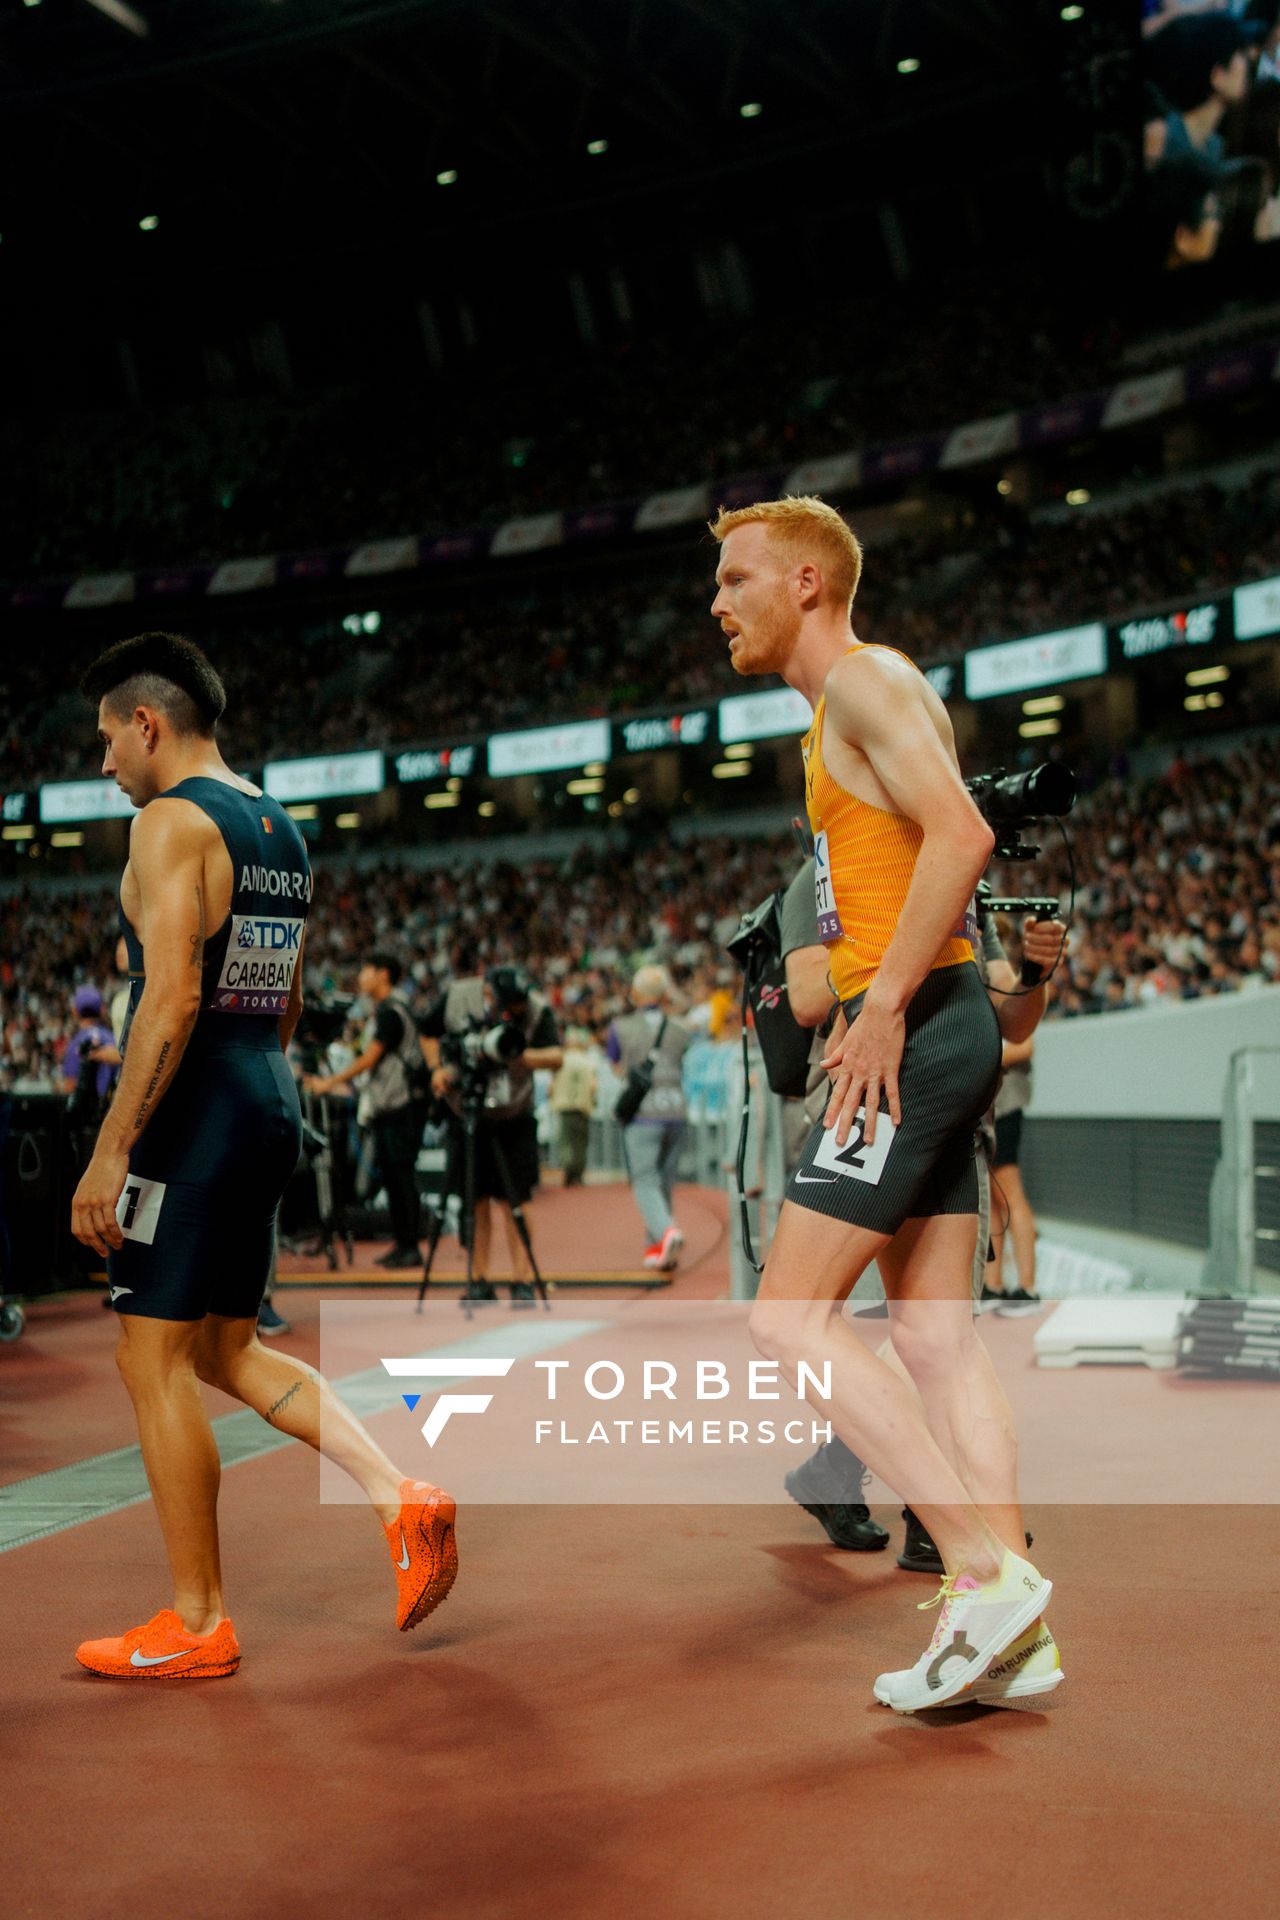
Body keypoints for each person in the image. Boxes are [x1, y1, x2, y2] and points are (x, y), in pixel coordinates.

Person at [709, 496, 1062, 1713]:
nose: (717, 604)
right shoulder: (835, 715)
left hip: (908, 1036)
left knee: (785, 1319)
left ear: (805, 582)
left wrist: (879, 1009)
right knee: (931, 1337)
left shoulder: (865, 680)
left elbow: (962, 834)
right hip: (935, 1028)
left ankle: (980, 1575)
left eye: (736, 579)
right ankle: (1016, 1618)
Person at [69, 630, 455, 1681]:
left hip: (196, 1109)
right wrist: (252, 1096)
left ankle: (198, 1622)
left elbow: (171, 998)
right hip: (265, 1095)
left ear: (148, 724)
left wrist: (113, 1149)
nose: (104, 764)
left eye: (107, 740)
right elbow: (283, 998)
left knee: (150, 1359)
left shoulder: (167, 822)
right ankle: (400, 1496)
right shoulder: (278, 826)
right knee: (224, 1349)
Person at [420, 962, 563, 1303]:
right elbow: (426, 1030)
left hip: (513, 1115)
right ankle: (479, 1279)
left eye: (519, 1005)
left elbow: (556, 1055)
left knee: (517, 1200)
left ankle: (522, 1280)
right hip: (466, 1110)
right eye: (509, 1005)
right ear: (488, 994)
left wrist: (516, 1054)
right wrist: (436, 1068)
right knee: (476, 1199)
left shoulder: (537, 1009)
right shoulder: (458, 996)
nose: (516, 1010)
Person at [307, 951, 424, 1270]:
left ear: (383, 974)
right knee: (394, 1176)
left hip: (399, 1105)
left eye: (366, 970)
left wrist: (329, 1082)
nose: (361, 977)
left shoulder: (392, 1013)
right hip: (392, 1104)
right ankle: (403, 1243)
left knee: (401, 1176)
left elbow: (369, 1058)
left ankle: (410, 1245)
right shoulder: (388, 1010)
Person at [607, 965, 692, 1272]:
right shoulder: (681, 1029)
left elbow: (615, 1064)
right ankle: (656, 1247)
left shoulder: (620, 1026)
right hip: (676, 1111)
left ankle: (667, 1232)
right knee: (664, 1181)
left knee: (644, 1180)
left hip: (642, 1113)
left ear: (635, 993)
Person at [549, 1024, 598, 1187]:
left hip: (564, 1105)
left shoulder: (561, 1059)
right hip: (583, 1105)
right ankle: (578, 1173)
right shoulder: (588, 1061)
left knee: (566, 1140)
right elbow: (593, 1086)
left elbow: (551, 1086)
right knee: (581, 1142)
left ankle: (569, 1170)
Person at [60, 985, 119, 1118]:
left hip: (85, 1117)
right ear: (101, 1010)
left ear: (75, 1012)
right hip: (111, 1111)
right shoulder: (113, 1039)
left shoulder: (76, 1042)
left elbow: (70, 1086)